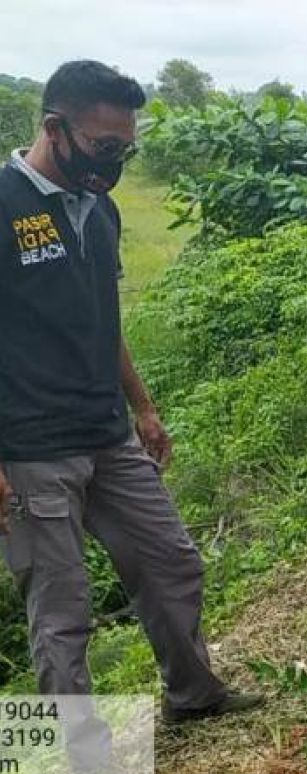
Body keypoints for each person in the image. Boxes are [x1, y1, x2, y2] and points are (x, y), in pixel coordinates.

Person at [0, 61, 261, 726]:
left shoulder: (101, 209)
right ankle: (79, 763)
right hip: (30, 447)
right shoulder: (4, 204)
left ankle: (195, 697)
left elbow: (104, 318)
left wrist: (143, 406)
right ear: (54, 128)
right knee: (63, 612)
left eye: (125, 149)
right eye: (103, 147)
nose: (113, 162)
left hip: (107, 431)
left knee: (171, 562)